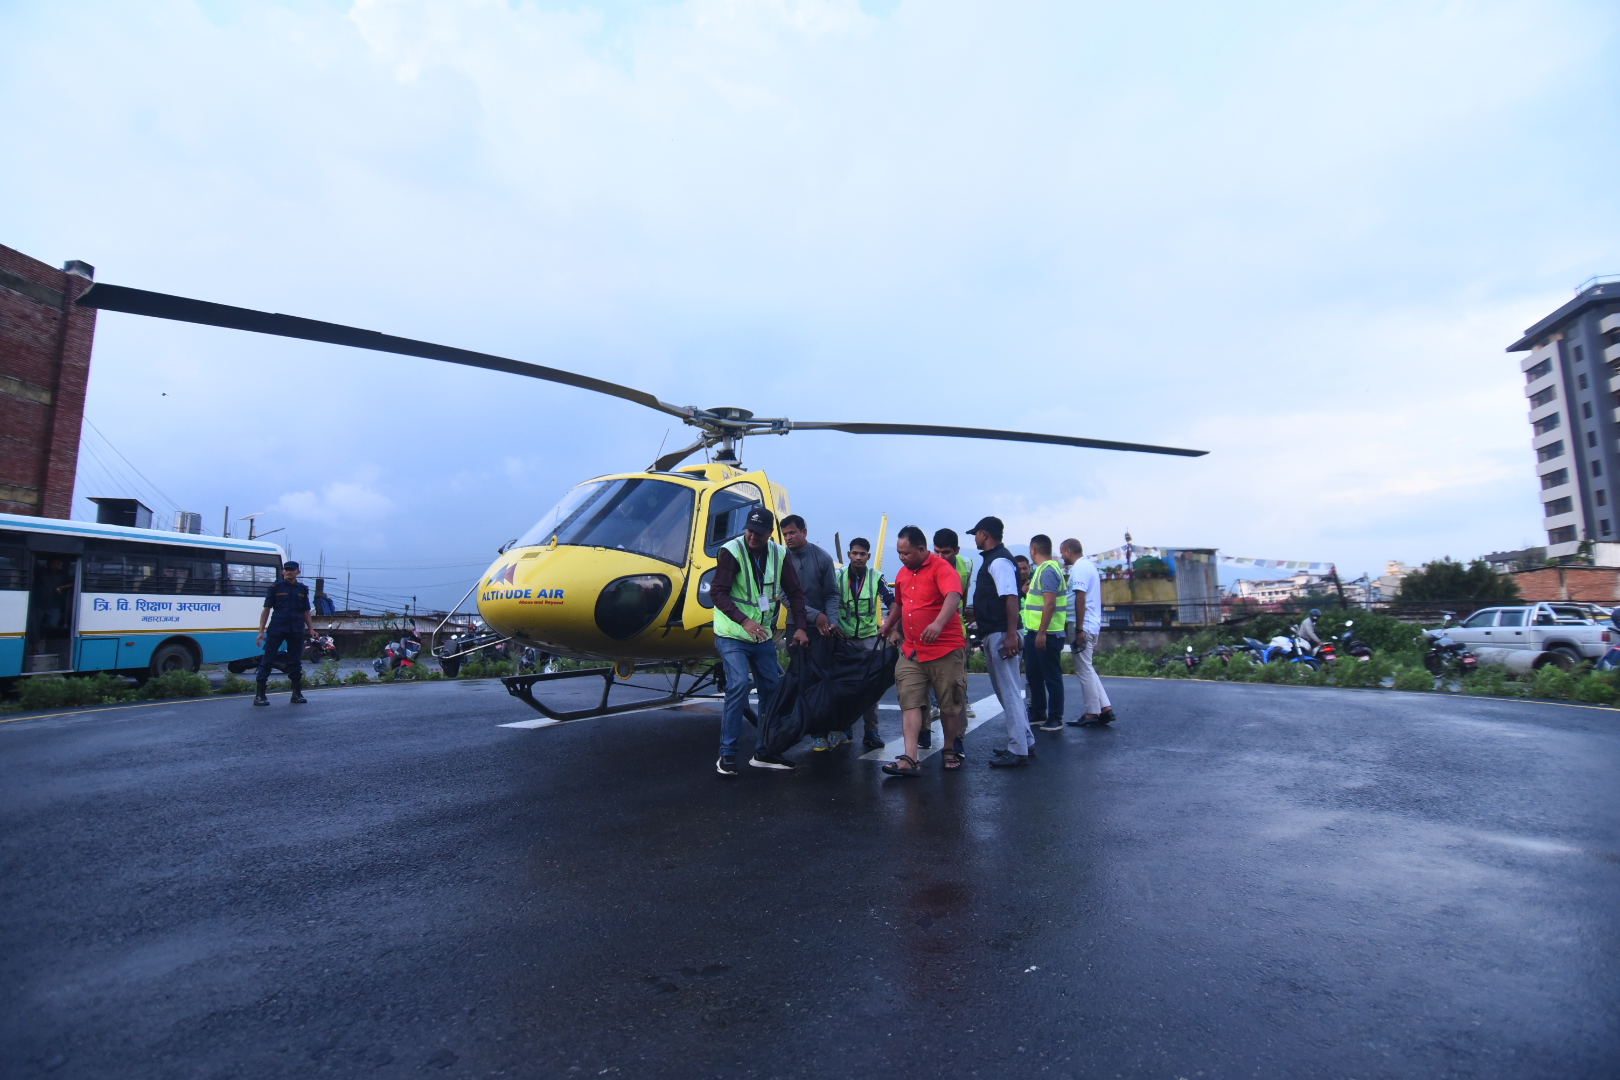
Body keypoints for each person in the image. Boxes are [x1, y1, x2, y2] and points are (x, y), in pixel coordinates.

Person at [710, 506, 809, 776]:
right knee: (739, 684)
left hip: (761, 635)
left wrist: (801, 627)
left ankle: (764, 751)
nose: (753, 536)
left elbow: (795, 593)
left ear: (769, 534)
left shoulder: (779, 554)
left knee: (772, 690)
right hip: (732, 634)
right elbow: (717, 593)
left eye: (760, 533)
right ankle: (726, 754)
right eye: (750, 531)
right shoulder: (732, 551)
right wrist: (744, 620)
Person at [878, 525, 968, 776]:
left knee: (950, 703)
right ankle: (910, 757)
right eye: (898, 553)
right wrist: (889, 625)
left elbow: (953, 595)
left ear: (921, 549)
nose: (902, 557)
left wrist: (938, 624)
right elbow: (900, 603)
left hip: (945, 649)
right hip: (912, 650)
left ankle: (949, 749)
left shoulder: (942, 568)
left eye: (905, 553)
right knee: (910, 701)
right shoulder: (903, 574)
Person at [969, 516, 1033, 766]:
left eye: (976, 534)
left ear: (984, 534)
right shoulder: (998, 559)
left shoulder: (999, 561)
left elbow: (1011, 599)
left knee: (1008, 692)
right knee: (1011, 691)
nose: (975, 538)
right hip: (998, 631)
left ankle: (1018, 749)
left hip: (1000, 634)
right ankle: (1026, 741)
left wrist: (1009, 635)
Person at [780, 514, 845, 750]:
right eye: (785, 534)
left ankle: (827, 729)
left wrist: (832, 621)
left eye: (792, 533)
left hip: (823, 630)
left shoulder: (822, 558)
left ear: (804, 532)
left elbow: (831, 594)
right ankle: (811, 731)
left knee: (822, 679)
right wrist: (814, 616)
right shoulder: (781, 559)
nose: (788, 538)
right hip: (796, 627)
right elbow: (786, 596)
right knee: (802, 679)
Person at [835, 537, 893, 751]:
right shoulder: (837, 576)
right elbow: (828, 601)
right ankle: (844, 727)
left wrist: (891, 626)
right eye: (855, 553)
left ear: (868, 556)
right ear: (849, 555)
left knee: (872, 686)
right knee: (844, 685)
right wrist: (832, 625)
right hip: (844, 639)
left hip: (870, 638)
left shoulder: (876, 577)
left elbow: (892, 601)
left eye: (862, 554)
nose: (858, 557)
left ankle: (871, 731)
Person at [1061, 538, 1116, 726]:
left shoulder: (1079, 569)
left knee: (1084, 670)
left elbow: (1080, 598)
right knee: (1088, 668)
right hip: (1090, 625)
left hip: (1083, 626)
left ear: (1068, 551)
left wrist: (1078, 629)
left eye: (1062, 552)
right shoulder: (1088, 567)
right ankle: (1105, 708)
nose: (1061, 556)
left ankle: (1092, 712)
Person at [1021, 534, 1067, 732]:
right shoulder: (1041, 571)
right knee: (1034, 675)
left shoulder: (1048, 571)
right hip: (1033, 632)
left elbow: (1050, 604)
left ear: (1033, 550)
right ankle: (1039, 712)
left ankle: (1055, 717)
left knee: (1051, 677)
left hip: (1047, 634)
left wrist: (1042, 632)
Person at [932, 529, 977, 726]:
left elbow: (964, 593)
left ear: (957, 550)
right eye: (937, 552)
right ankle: (935, 704)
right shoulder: (928, 565)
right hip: (933, 625)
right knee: (933, 669)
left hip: (956, 626)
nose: (941, 557)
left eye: (946, 552)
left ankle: (962, 701)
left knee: (958, 669)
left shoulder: (967, 564)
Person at [255, 560, 313, 706]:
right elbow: (266, 610)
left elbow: (306, 610)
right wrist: (261, 631)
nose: (288, 572)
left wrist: (311, 629)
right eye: (286, 570)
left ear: (297, 572)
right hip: (277, 627)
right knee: (267, 660)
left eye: (292, 570)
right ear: (282, 572)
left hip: (296, 629)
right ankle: (260, 695)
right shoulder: (275, 587)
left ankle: (296, 693)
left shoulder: (302, 589)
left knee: (295, 661)